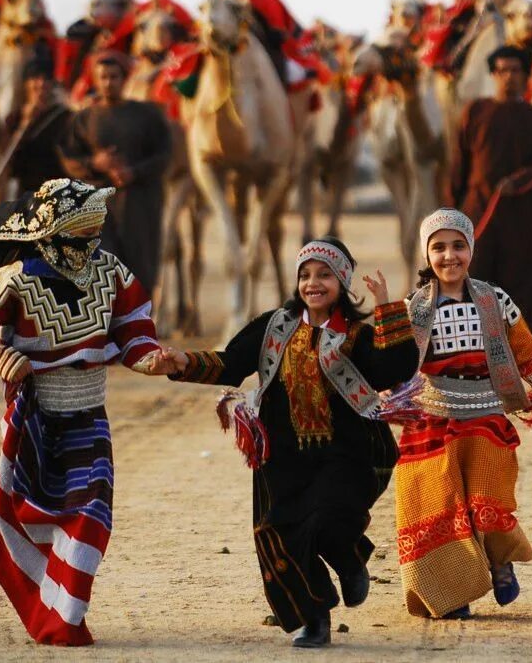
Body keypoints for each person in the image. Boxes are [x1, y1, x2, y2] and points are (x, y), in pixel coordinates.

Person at [154, 237, 418, 648]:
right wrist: (183, 362)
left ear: (343, 283)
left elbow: (394, 370)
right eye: (305, 275)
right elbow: (231, 363)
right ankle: (313, 620)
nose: (313, 283)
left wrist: (387, 308)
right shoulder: (272, 327)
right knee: (279, 535)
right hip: (282, 457)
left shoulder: (355, 336)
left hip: (346, 453)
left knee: (328, 519)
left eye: (324, 275)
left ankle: (349, 559)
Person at [0, 178, 168, 646]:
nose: (94, 234)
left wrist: (147, 355)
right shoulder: (15, 279)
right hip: (32, 415)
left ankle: (65, 618)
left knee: (92, 511)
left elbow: (133, 327)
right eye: (84, 224)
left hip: (90, 413)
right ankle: (45, 603)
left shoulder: (112, 271)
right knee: (34, 509)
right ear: (57, 226)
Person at [395, 207, 532, 620]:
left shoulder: (496, 299)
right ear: (426, 255)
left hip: (486, 416)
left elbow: (528, 356)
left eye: (458, 246)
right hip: (431, 419)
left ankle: (499, 561)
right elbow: (390, 364)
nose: (449, 256)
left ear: (471, 250)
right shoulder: (412, 308)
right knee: (436, 506)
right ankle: (451, 595)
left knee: (486, 500)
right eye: (438, 248)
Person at [447, 45, 532, 332]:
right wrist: (451, 214)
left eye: (515, 70)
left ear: (526, 75)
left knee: (520, 284)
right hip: (478, 212)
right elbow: (460, 164)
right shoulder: (475, 111)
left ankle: (521, 358)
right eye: (502, 71)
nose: (509, 76)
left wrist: (519, 182)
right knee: (473, 282)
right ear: (494, 75)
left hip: (522, 219)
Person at [61, 52, 171, 294]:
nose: (109, 82)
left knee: (141, 271)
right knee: (103, 270)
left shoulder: (148, 115)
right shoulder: (84, 118)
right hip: (99, 209)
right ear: (95, 80)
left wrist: (134, 172)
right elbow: (70, 158)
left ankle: (140, 326)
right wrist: (95, 163)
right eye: (103, 77)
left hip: (141, 206)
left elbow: (164, 155)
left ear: (124, 79)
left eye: (114, 77)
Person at [3, 57, 72, 195]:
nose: (40, 84)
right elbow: (9, 163)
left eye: (45, 79)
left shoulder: (65, 116)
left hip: (57, 193)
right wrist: (25, 123)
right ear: (26, 84)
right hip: (26, 195)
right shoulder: (14, 119)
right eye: (35, 79)